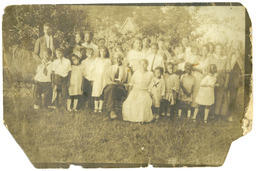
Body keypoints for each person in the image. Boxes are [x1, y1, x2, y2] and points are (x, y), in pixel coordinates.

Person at [208, 44, 230, 119]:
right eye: (217, 49)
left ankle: (220, 114)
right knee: (212, 95)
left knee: (221, 96)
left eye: (220, 49)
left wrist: (226, 82)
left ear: (222, 50)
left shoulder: (226, 59)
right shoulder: (211, 58)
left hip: (222, 79)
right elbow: (208, 68)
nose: (219, 50)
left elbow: (228, 72)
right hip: (213, 78)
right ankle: (212, 114)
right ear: (215, 50)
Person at [103, 53, 128, 119]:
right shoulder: (110, 68)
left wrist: (121, 83)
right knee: (111, 88)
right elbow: (107, 79)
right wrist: (113, 83)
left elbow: (128, 81)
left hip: (120, 87)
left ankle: (109, 111)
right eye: (115, 58)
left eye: (119, 58)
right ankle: (112, 111)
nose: (117, 60)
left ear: (122, 59)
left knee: (111, 89)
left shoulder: (126, 69)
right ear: (113, 59)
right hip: (111, 85)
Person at [91, 47, 112, 113]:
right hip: (97, 78)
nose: (103, 53)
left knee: (102, 92)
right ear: (99, 52)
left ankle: (100, 108)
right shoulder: (97, 59)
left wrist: (109, 78)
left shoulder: (108, 60)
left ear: (106, 52)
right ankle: (96, 107)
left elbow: (110, 70)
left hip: (104, 78)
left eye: (104, 51)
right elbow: (92, 68)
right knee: (96, 92)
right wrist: (92, 78)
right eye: (101, 51)